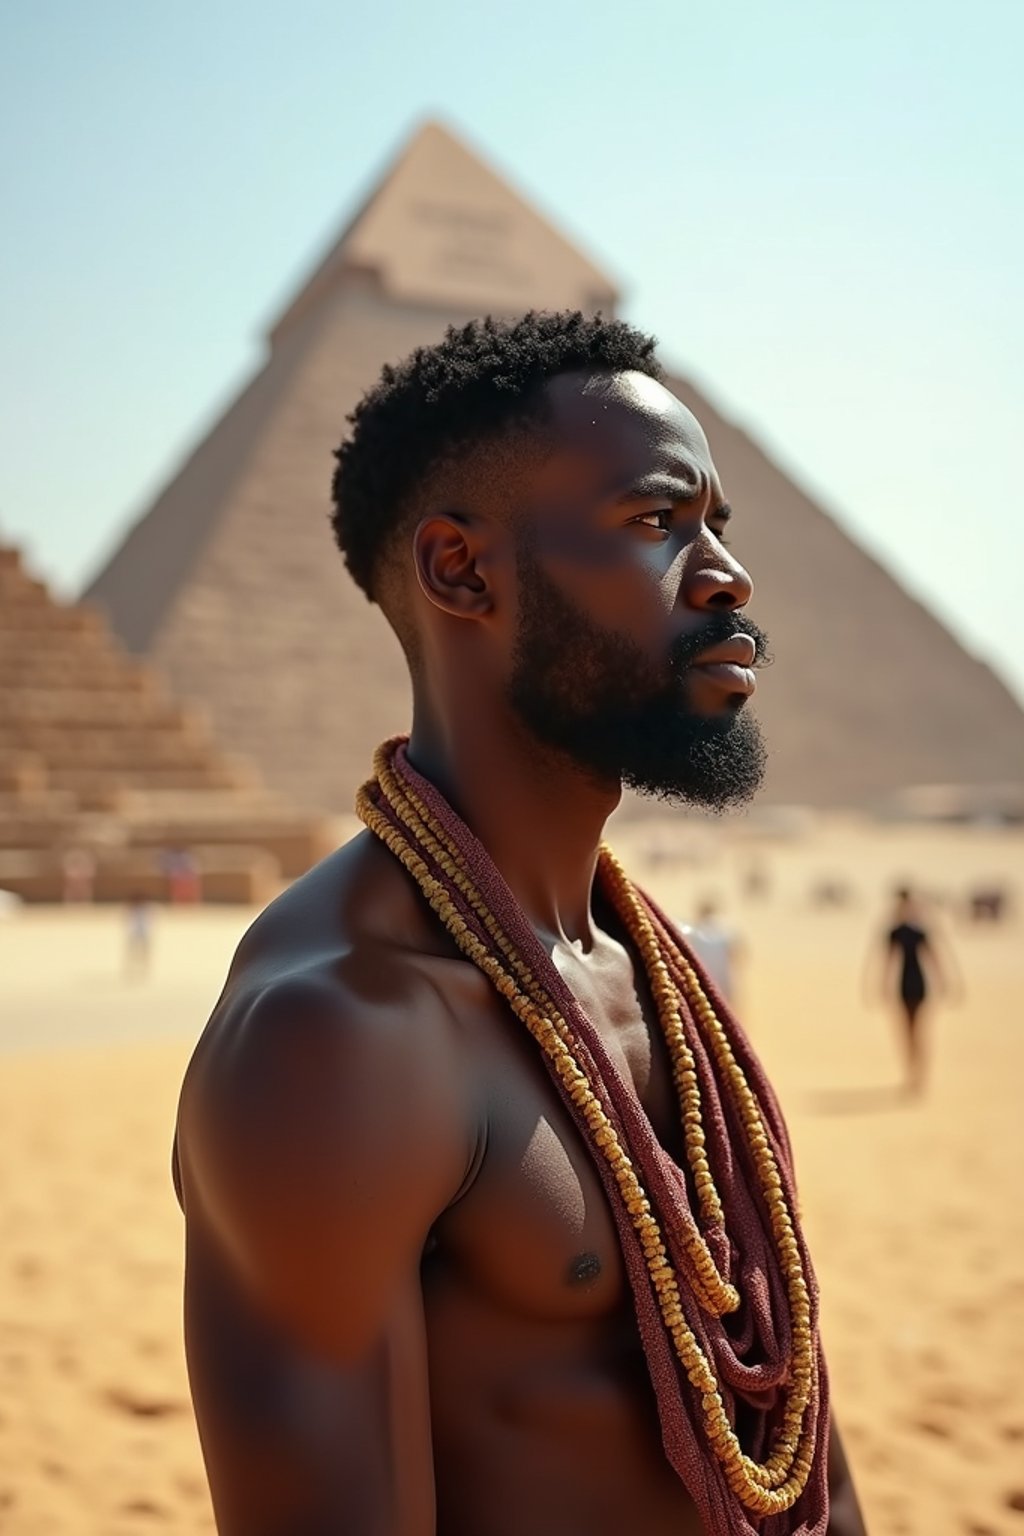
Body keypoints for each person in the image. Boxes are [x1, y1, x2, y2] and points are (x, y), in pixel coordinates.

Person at [173, 313, 864, 1536]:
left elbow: (797, 1439)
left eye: (718, 524)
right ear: (461, 572)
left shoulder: (663, 986)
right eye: (657, 522)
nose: (724, 575)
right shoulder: (340, 1035)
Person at [879, 885, 950, 1095]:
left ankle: (920, 1075)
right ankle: (911, 1073)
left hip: (919, 984)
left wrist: (944, 981)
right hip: (903, 984)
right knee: (906, 1031)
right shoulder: (894, 932)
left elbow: (934, 958)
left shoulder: (920, 932)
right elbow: (888, 961)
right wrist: (882, 984)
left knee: (920, 1030)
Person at [681, 898, 743, 1005]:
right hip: (724, 980)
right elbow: (737, 953)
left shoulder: (694, 932)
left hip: (703, 980)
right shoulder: (726, 930)